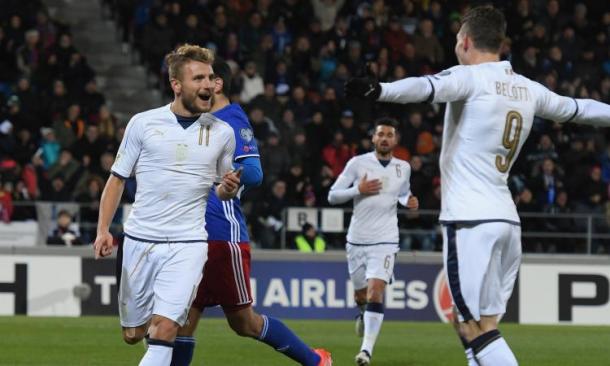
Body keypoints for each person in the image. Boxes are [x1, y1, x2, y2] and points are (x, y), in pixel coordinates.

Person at [345, 6, 610, 366]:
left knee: (472, 326)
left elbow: (426, 87)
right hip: (507, 222)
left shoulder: (470, 77)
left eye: (457, 40)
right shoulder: (527, 89)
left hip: (471, 221)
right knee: (478, 324)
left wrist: (380, 90)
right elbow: (580, 108)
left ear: (466, 41)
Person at [171, 59, 332, 366]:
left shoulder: (232, 119)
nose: (197, 83)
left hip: (221, 236)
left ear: (217, 84)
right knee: (183, 320)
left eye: (202, 77)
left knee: (244, 323)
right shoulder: (200, 123)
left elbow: (254, 172)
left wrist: (225, 179)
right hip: (192, 234)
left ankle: (315, 361)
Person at [93, 44, 240, 366]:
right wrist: (103, 229)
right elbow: (117, 179)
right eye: (198, 78)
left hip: (188, 243)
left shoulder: (224, 133)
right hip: (140, 241)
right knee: (134, 334)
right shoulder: (143, 124)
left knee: (166, 327)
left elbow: (222, 190)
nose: (208, 85)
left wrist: (229, 189)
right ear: (177, 85)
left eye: (211, 77)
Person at [328, 117, 419, 366]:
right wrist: (359, 189)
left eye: (389, 134)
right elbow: (332, 195)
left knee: (375, 291)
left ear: (396, 140)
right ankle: (362, 312)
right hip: (357, 240)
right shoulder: (358, 164)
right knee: (361, 296)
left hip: (386, 240)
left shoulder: (404, 167)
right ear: (373, 138)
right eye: (381, 134)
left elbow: (403, 193)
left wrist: (409, 201)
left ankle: (365, 351)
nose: (385, 138)